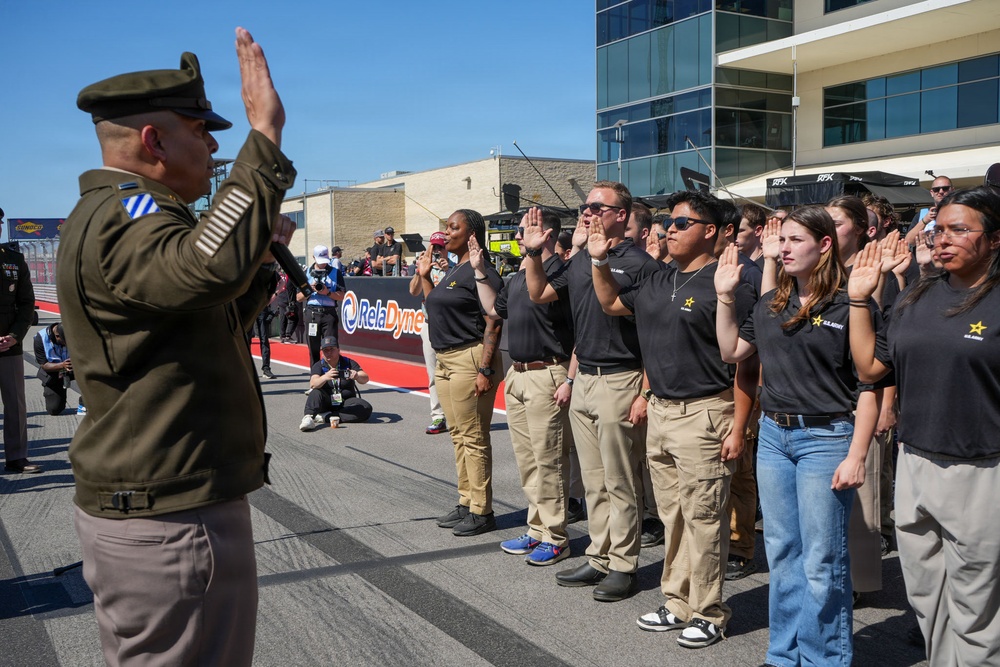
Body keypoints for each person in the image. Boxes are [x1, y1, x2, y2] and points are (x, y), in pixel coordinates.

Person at [57, 30, 296, 666]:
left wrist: (261, 260)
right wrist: (263, 139)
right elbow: (203, 269)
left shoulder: (132, 213)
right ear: (153, 141)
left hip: (169, 505)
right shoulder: (124, 214)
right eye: (200, 129)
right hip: (171, 520)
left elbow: (201, 315)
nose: (214, 145)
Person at [591, 190, 756, 648]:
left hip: (706, 412)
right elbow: (610, 304)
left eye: (682, 223)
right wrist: (600, 263)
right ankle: (678, 601)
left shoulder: (728, 283)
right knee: (674, 516)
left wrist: (738, 427)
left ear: (711, 231)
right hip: (661, 411)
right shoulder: (659, 280)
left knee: (704, 518)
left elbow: (747, 364)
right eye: (669, 221)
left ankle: (709, 611)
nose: (671, 228)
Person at [715, 206, 876, 667]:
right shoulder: (770, 304)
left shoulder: (851, 302)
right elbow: (732, 352)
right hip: (774, 437)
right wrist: (726, 299)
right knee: (783, 554)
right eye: (781, 240)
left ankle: (825, 658)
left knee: (822, 563)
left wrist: (858, 453)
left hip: (826, 438)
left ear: (824, 245)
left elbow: (870, 384)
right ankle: (784, 655)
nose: (783, 248)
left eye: (795, 240)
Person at [848, 186, 1000, 666]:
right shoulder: (918, 294)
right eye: (939, 229)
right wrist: (858, 300)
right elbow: (872, 370)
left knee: (977, 611)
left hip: (981, 471)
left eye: (960, 229)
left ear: (995, 240)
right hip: (914, 462)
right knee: (927, 600)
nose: (943, 239)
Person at [522, 181, 660, 602]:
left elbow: (654, 334)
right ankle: (600, 555)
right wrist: (532, 253)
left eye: (598, 206)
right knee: (595, 482)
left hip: (622, 378)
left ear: (622, 214)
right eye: (586, 205)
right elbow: (539, 292)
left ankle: (623, 564)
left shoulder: (639, 263)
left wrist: (645, 391)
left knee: (621, 482)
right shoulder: (580, 259)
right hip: (584, 380)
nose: (588, 211)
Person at [471, 210, 576, 566]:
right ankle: (537, 529)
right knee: (527, 460)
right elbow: (492, 310)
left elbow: (576, 329)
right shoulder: (517, 276)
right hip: (516, 373)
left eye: (522, 230)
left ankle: (557, 536)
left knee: (549, 460)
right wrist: (479, 271)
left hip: (548, 371)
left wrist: (570, 379)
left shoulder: (565, 272)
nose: (516, 236)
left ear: (545, 234)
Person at [418, 209, 504, 537]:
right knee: (457, 435)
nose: (446, 232)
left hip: (470, 359)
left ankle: (483, 510)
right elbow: (437, 312)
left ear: (471, 235)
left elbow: (494, 321)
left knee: (474, 437)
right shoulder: (456, 270)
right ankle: (466, 501)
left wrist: (484, 368)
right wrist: (425, 277)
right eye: (447, 226)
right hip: (445, 361)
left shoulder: (482, 272)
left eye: (453, 227)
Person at [0, 229, 38, 474]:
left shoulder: (13, 259)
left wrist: (14, 337)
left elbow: (26, 303)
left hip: (8, 345)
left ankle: (17, 457)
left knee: (15, 404)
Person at [408, 231, 450, 435]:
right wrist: (419, 271)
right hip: (429, 323)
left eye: (440, 246)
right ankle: (438, 416)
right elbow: (413, 292)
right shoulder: (425, 266)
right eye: (434, 247)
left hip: (451, 325)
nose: (437, 251)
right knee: (432, 373)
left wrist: (448, 270)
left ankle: (457, 415)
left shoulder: (455, 267)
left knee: (455, 373)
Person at [299, 337, 371, 430]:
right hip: (327, 401)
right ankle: (308, 418)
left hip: (346, 402)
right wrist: (325, 377)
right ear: (322, 352)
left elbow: (365, 378)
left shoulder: (348, 362)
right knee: (315, 392)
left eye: (332, 349)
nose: (329, 352)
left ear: (338, 350)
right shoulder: (319, 365)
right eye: (325, 350)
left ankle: (326, 417)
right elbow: (313, 383)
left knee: (366, 408)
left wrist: (357, 375)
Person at [298, 244, 346, 367]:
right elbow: (298, 297)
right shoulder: (306, 272)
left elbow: (342, 296)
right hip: (312, 313)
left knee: (331, 348)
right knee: (313, 349)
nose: (323, 264)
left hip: (329, 314)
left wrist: (328, 293)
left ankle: (332, 377)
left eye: (325, 261)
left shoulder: (335, 272)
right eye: (320, 261)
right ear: (313, 257)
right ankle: (315, 377)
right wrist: (310, 290)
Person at [33, 322, 85, 415]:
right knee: (54, 409)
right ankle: (56, 395)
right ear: (57, 336)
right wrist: (62, 366)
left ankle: (84, 402)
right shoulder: (40, 338)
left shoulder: (74, 333)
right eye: (65, 343)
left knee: (94, 371)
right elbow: (44, 365)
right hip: (54, 371)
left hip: (74, 367)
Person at [905, 175, 953, 247]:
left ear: (952, 190)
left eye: (945, 188)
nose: (941, 191)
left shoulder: (959, 213)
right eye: (936, 189)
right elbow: (909, 242)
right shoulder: (923, 214)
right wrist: (925, 220)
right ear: (931, 193)